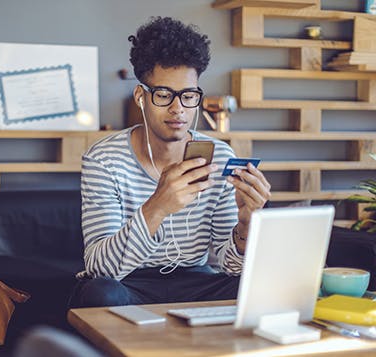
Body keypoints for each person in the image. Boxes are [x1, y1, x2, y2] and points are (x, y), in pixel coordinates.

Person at [70, 16, 271, 308]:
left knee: (254, 286)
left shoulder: (220, 157)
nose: (178, 109)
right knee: (99, 293)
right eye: (164, 95)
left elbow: (230, 268)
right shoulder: (104, 160)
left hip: (197, 281)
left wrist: (246, 226)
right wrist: (158, 207)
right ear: (141, 96)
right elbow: (102, 270)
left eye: (188, 96)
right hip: (130, 283)